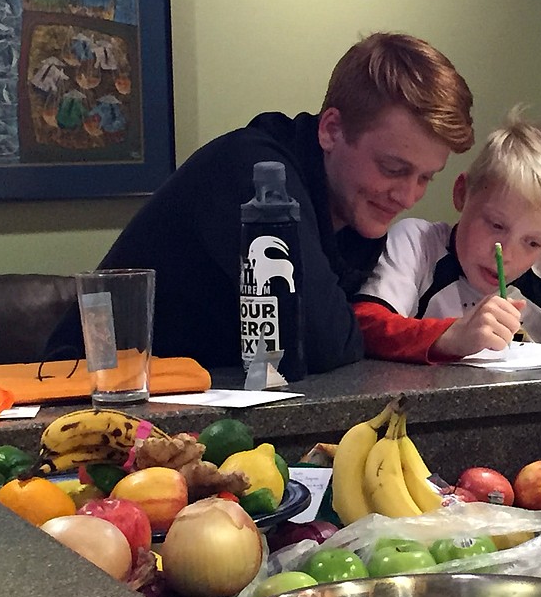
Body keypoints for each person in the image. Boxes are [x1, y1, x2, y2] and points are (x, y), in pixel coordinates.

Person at [46, 32, 474, 374]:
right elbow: (324, 345)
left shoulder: (358, 214)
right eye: (394, 169)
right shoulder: (254, 172)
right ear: (331, 130)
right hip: (94, 396)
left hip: (212, 405)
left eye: (425, 178)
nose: (409, 196)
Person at [352, 108, 541, 363]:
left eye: (533, 243)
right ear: (462, 194)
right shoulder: (417, 245)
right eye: (496, 225)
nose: (506, 254)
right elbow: (362, 326)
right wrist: (451, 336)